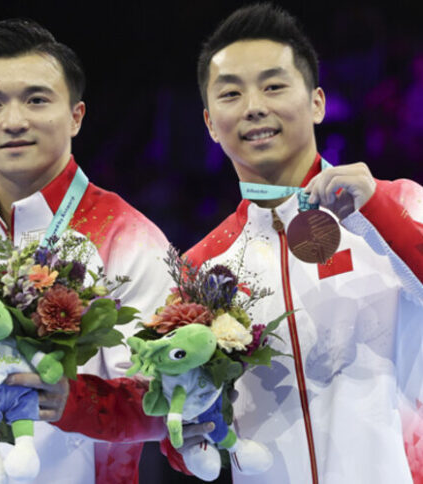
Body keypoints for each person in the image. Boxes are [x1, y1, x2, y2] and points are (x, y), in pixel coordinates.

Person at [49, 3, 423, 483]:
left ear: (317, 103)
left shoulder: (397, 205)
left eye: (273, 86)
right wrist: (190, 434)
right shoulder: (200, 271)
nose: (253, 107)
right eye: (231, 93)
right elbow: (171, 416)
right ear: (209, 124)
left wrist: (376, 210)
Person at [0, 19, 181, 483]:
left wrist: (75, 401)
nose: (14, 121)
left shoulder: (129, 238)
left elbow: (170, 402)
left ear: (76, 116)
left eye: (36, 100)